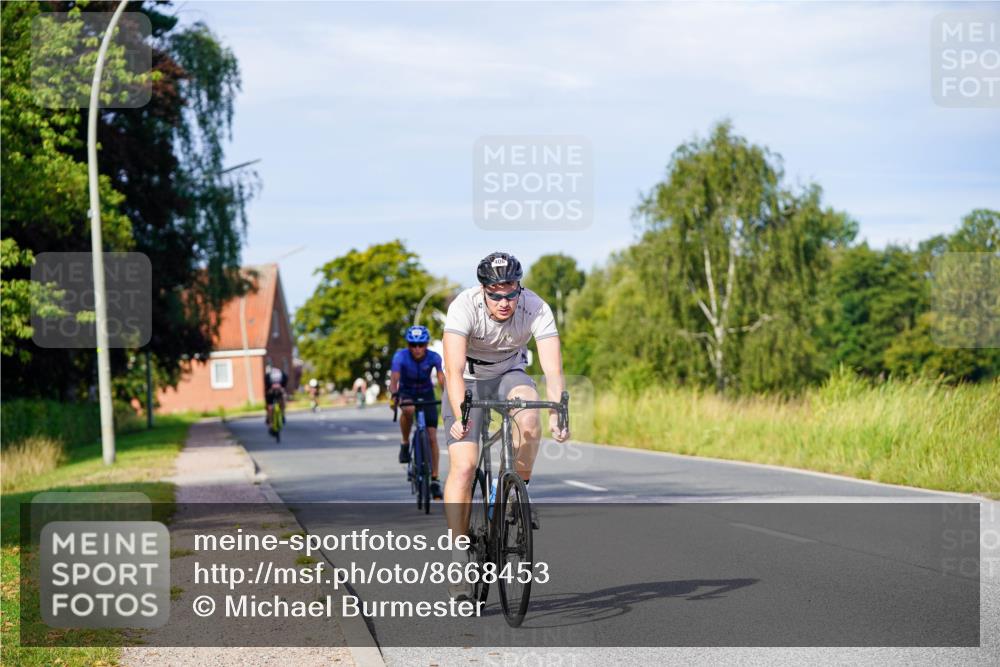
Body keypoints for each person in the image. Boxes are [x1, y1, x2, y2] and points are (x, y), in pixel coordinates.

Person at [441, 251, 569, 601]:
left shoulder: (535, 307)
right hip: (468, 380)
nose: (504, 302)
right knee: (464, 465)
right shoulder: (464, 306)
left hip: (510, 373)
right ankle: (458, 556)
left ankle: (515, 493)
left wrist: (556, 413)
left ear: (519, 288)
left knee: (529, 420)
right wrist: (462, 415)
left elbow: (553, 369)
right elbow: (452, 370)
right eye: (495, 294)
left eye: (510, 293)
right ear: (483, 290)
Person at [389, 325, 446, 499]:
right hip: (407, 392)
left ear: (426, 344)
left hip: (426, 393)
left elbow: (441, 379)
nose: (417, 349)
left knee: (432, 437)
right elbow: (394, 379)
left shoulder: (434, 357)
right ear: (408, 345)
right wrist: (394, 395)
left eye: (421, 344)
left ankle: (434, 479)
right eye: (413, 345)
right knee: (408, 409)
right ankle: (405, 442)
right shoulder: (400, 356)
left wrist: (448, 395)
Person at [264, 363, 288, 429]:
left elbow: (284, 387)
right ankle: (270, 421)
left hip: (279, 393)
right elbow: (267, 390)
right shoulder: (268, 377)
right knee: (270, 407)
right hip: (270, 393)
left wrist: (283, 390)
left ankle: (282, 415)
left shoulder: (283, 376)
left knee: (283, 399)